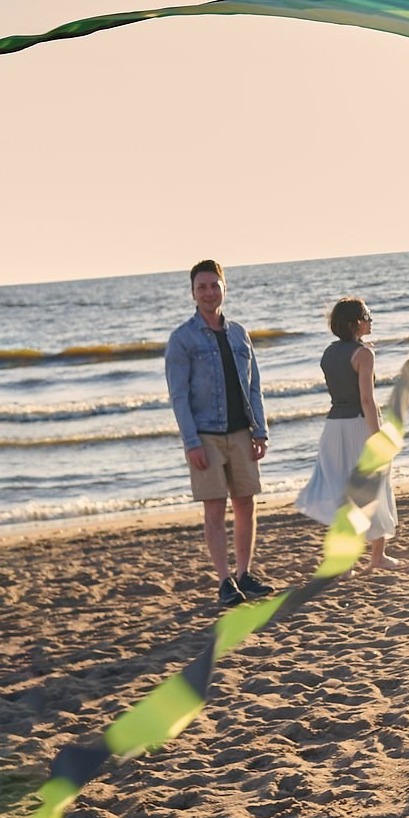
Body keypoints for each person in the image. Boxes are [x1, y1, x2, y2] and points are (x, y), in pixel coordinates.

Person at [164, 259, 273, 609]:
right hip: (206, 435)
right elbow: (178, 395)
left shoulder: (240, 333)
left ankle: (245, 574)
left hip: (242, 432)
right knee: (215, 508)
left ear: (224, 288)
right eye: (202, 287)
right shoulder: (182, 339)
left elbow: (253, 387)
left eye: (215, 286)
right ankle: (225, 581)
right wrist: (191, 441)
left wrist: (260, 429)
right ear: (193, 293)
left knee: (246, 504)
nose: (209, 293)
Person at [296, 296, 399, 571]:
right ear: (355, 322)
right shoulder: (364, 355)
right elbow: (367, 399)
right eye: (367, 316)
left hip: (333, 427)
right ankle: (377, 557)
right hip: (358, 424)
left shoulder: (328, 353)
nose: (370, 320)